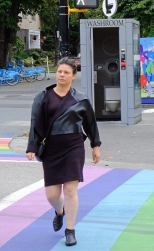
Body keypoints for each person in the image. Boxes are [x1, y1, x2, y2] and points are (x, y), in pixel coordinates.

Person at [25, 57, 101, 246]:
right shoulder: (43, 97)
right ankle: (60, 211)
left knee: (70, 190)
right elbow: (35, 123)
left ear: (74, 76)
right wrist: (32, 147)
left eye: (66, 72)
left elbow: (90, 124)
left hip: (73, 146)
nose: (62, 75)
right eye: (60, 71)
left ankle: (70, 230)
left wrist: (95, 145)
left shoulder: (81, 99)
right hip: (51, 147)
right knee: (52, 195)